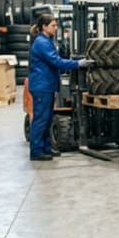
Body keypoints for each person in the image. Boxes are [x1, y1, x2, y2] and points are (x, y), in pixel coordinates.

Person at [27, 13, 94, 161]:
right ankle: (36, 152)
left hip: (47, 85)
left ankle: (46, 148)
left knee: (48, 119)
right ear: (44, 27)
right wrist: (77, 64)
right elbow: (56, 61)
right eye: (53, 25)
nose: (56, 28)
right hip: (41, 86)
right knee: (41, 120)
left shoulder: (47, 40)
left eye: (56, 25)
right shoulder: (41, 43)